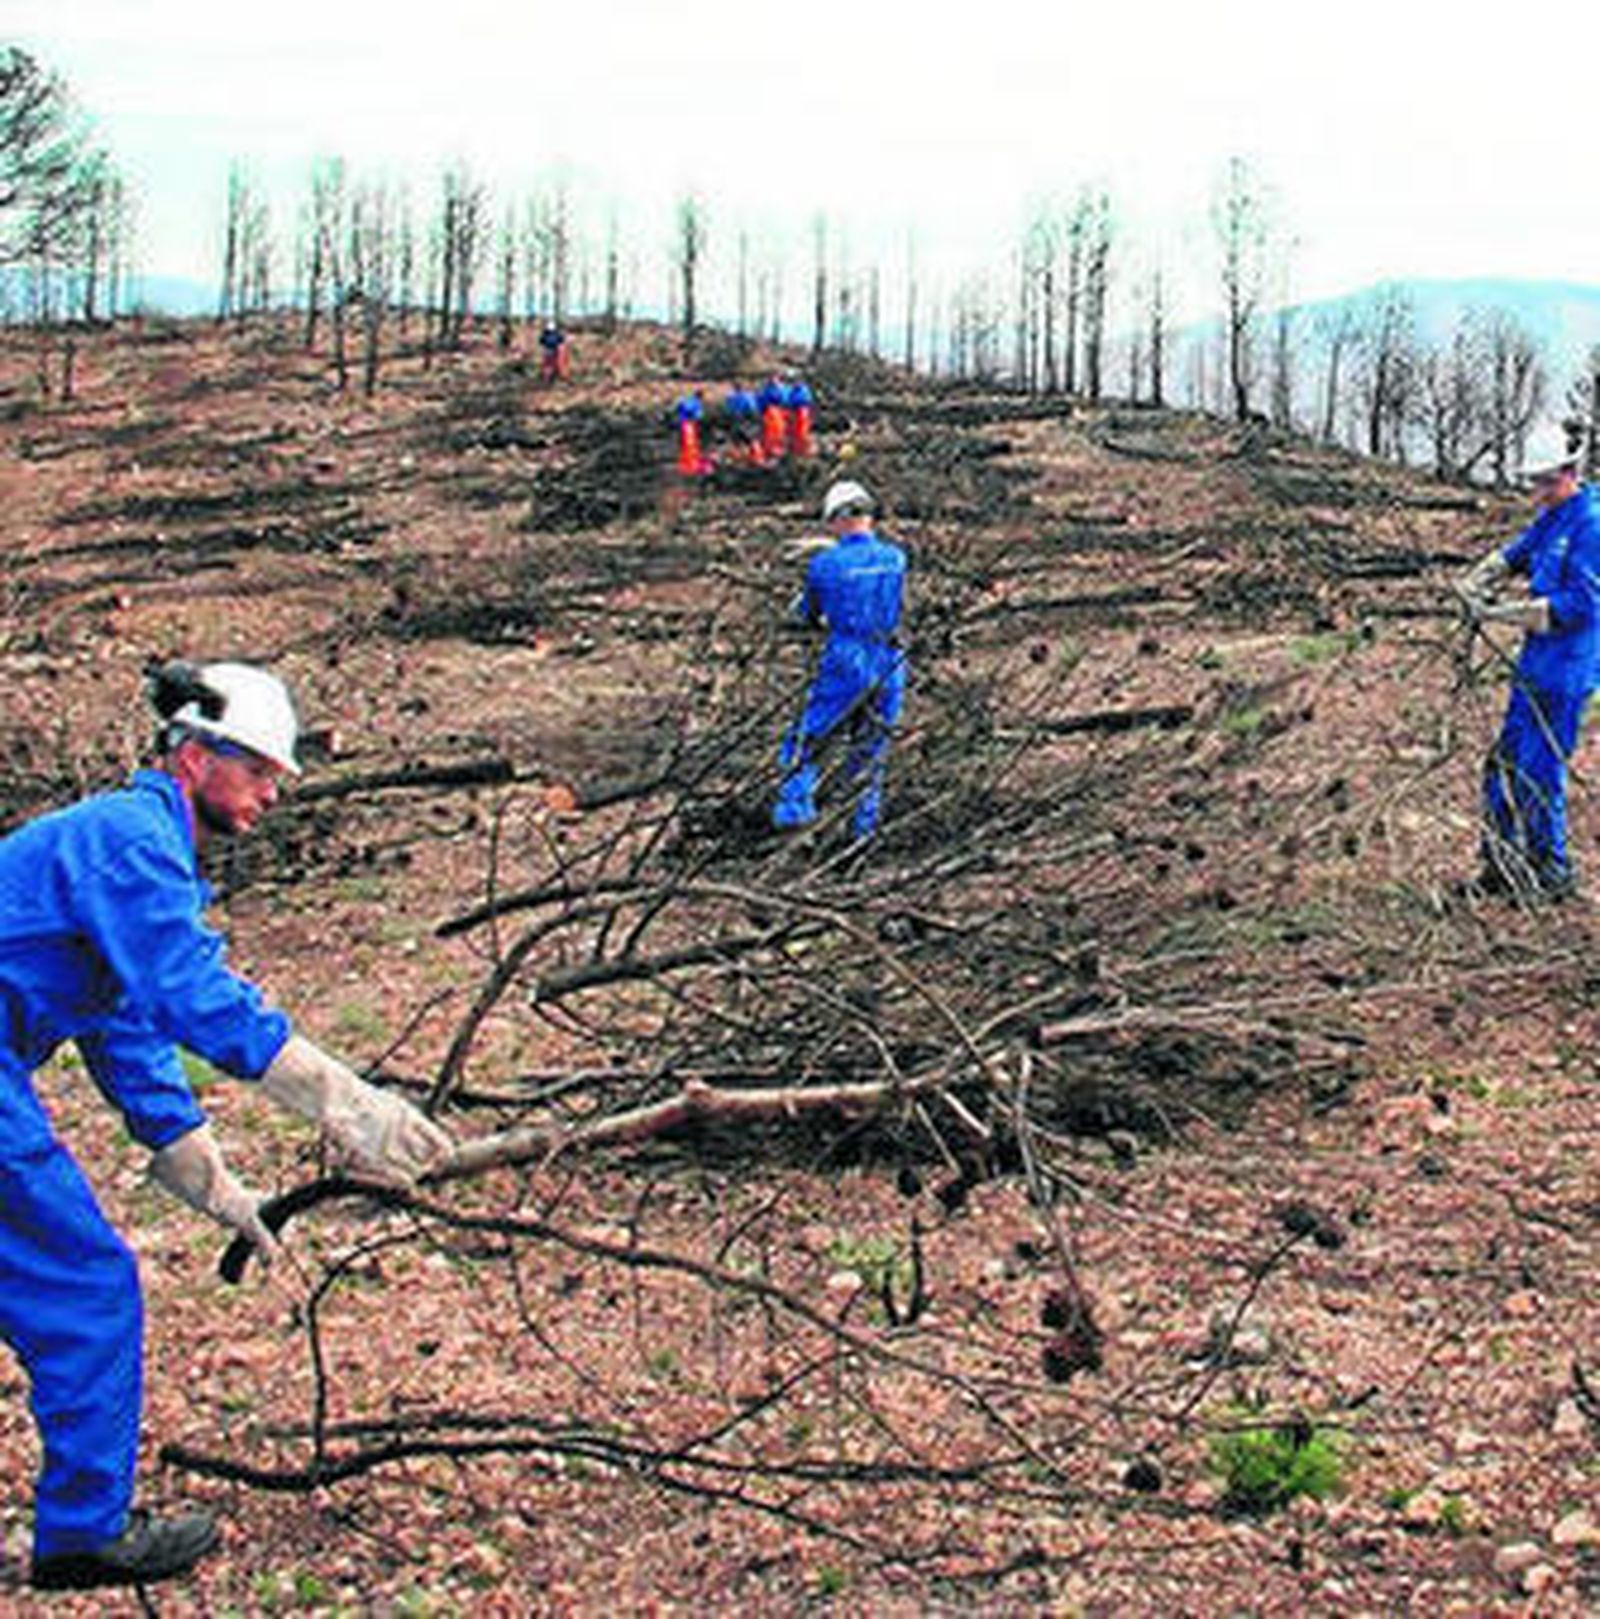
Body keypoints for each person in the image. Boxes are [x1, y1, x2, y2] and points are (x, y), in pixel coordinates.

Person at [0, 660, 454, 1592]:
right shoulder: (132, 842)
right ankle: (84, 1533)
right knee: (86, 1284)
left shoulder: (121, 842)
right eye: (258, 771)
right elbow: (195, 997)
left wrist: (208, 1178)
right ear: (197, 755)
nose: (271, 793)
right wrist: (348, 1105)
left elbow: (122, 1018)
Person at [1457, 437, 1600, 898]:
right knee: (1502, 762)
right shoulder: (1552, 518)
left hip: (1568, 666)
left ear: (1565, 475)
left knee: (1540, 770)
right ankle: (1501, 865)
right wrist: (1483, 574)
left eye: (1540, 481)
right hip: (1535, 661)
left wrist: (1500, 614)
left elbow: (1579, 605)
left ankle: (1551, 871)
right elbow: (1519, 552)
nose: (1533, 489)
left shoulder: (1591, 525)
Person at [774, 480, 907, 838]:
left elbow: (807, 614)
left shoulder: (825, 563)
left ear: (836, 519)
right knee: (870, 750)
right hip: (891, 659)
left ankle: (794, 814)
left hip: (847, 658)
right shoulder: (896, 558)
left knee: (807, 738)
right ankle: (862, 831)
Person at [675, 390, 711, 477]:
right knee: (690, 445)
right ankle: (690, 467)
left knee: (686, 445)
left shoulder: (687, 400)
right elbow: (698, 416)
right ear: (701, 397)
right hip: (688, 425)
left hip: (682, 424)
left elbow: (680, 408)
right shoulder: (696, 403)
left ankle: (685, 466)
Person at [757, 374, 789, 465]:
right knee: (772, 433)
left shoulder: (781, 389)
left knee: (778, 432)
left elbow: (785, 400)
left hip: (778, 412)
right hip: (771, 412)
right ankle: (771, 452)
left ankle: (775, 452)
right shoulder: (767, 390)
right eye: (772, 379)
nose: (774, 381)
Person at [724, 383, 760, 463]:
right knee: (750, 439)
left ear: (735, 388)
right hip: (746, 420)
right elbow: (752, 409)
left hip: (735, 420)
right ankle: (756, 458)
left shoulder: (731, 397)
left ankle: (739, 459)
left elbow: (728, 409)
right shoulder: (748, 396)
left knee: (737, 441)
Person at [786, 376, 816, 458]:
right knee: (796, 431)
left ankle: (804, 450)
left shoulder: (803, 390)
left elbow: (808, 403)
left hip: (802, 412)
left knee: (802, 431)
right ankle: (798, 450)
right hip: (796, 412)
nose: (795, 383)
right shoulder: (792, 391)